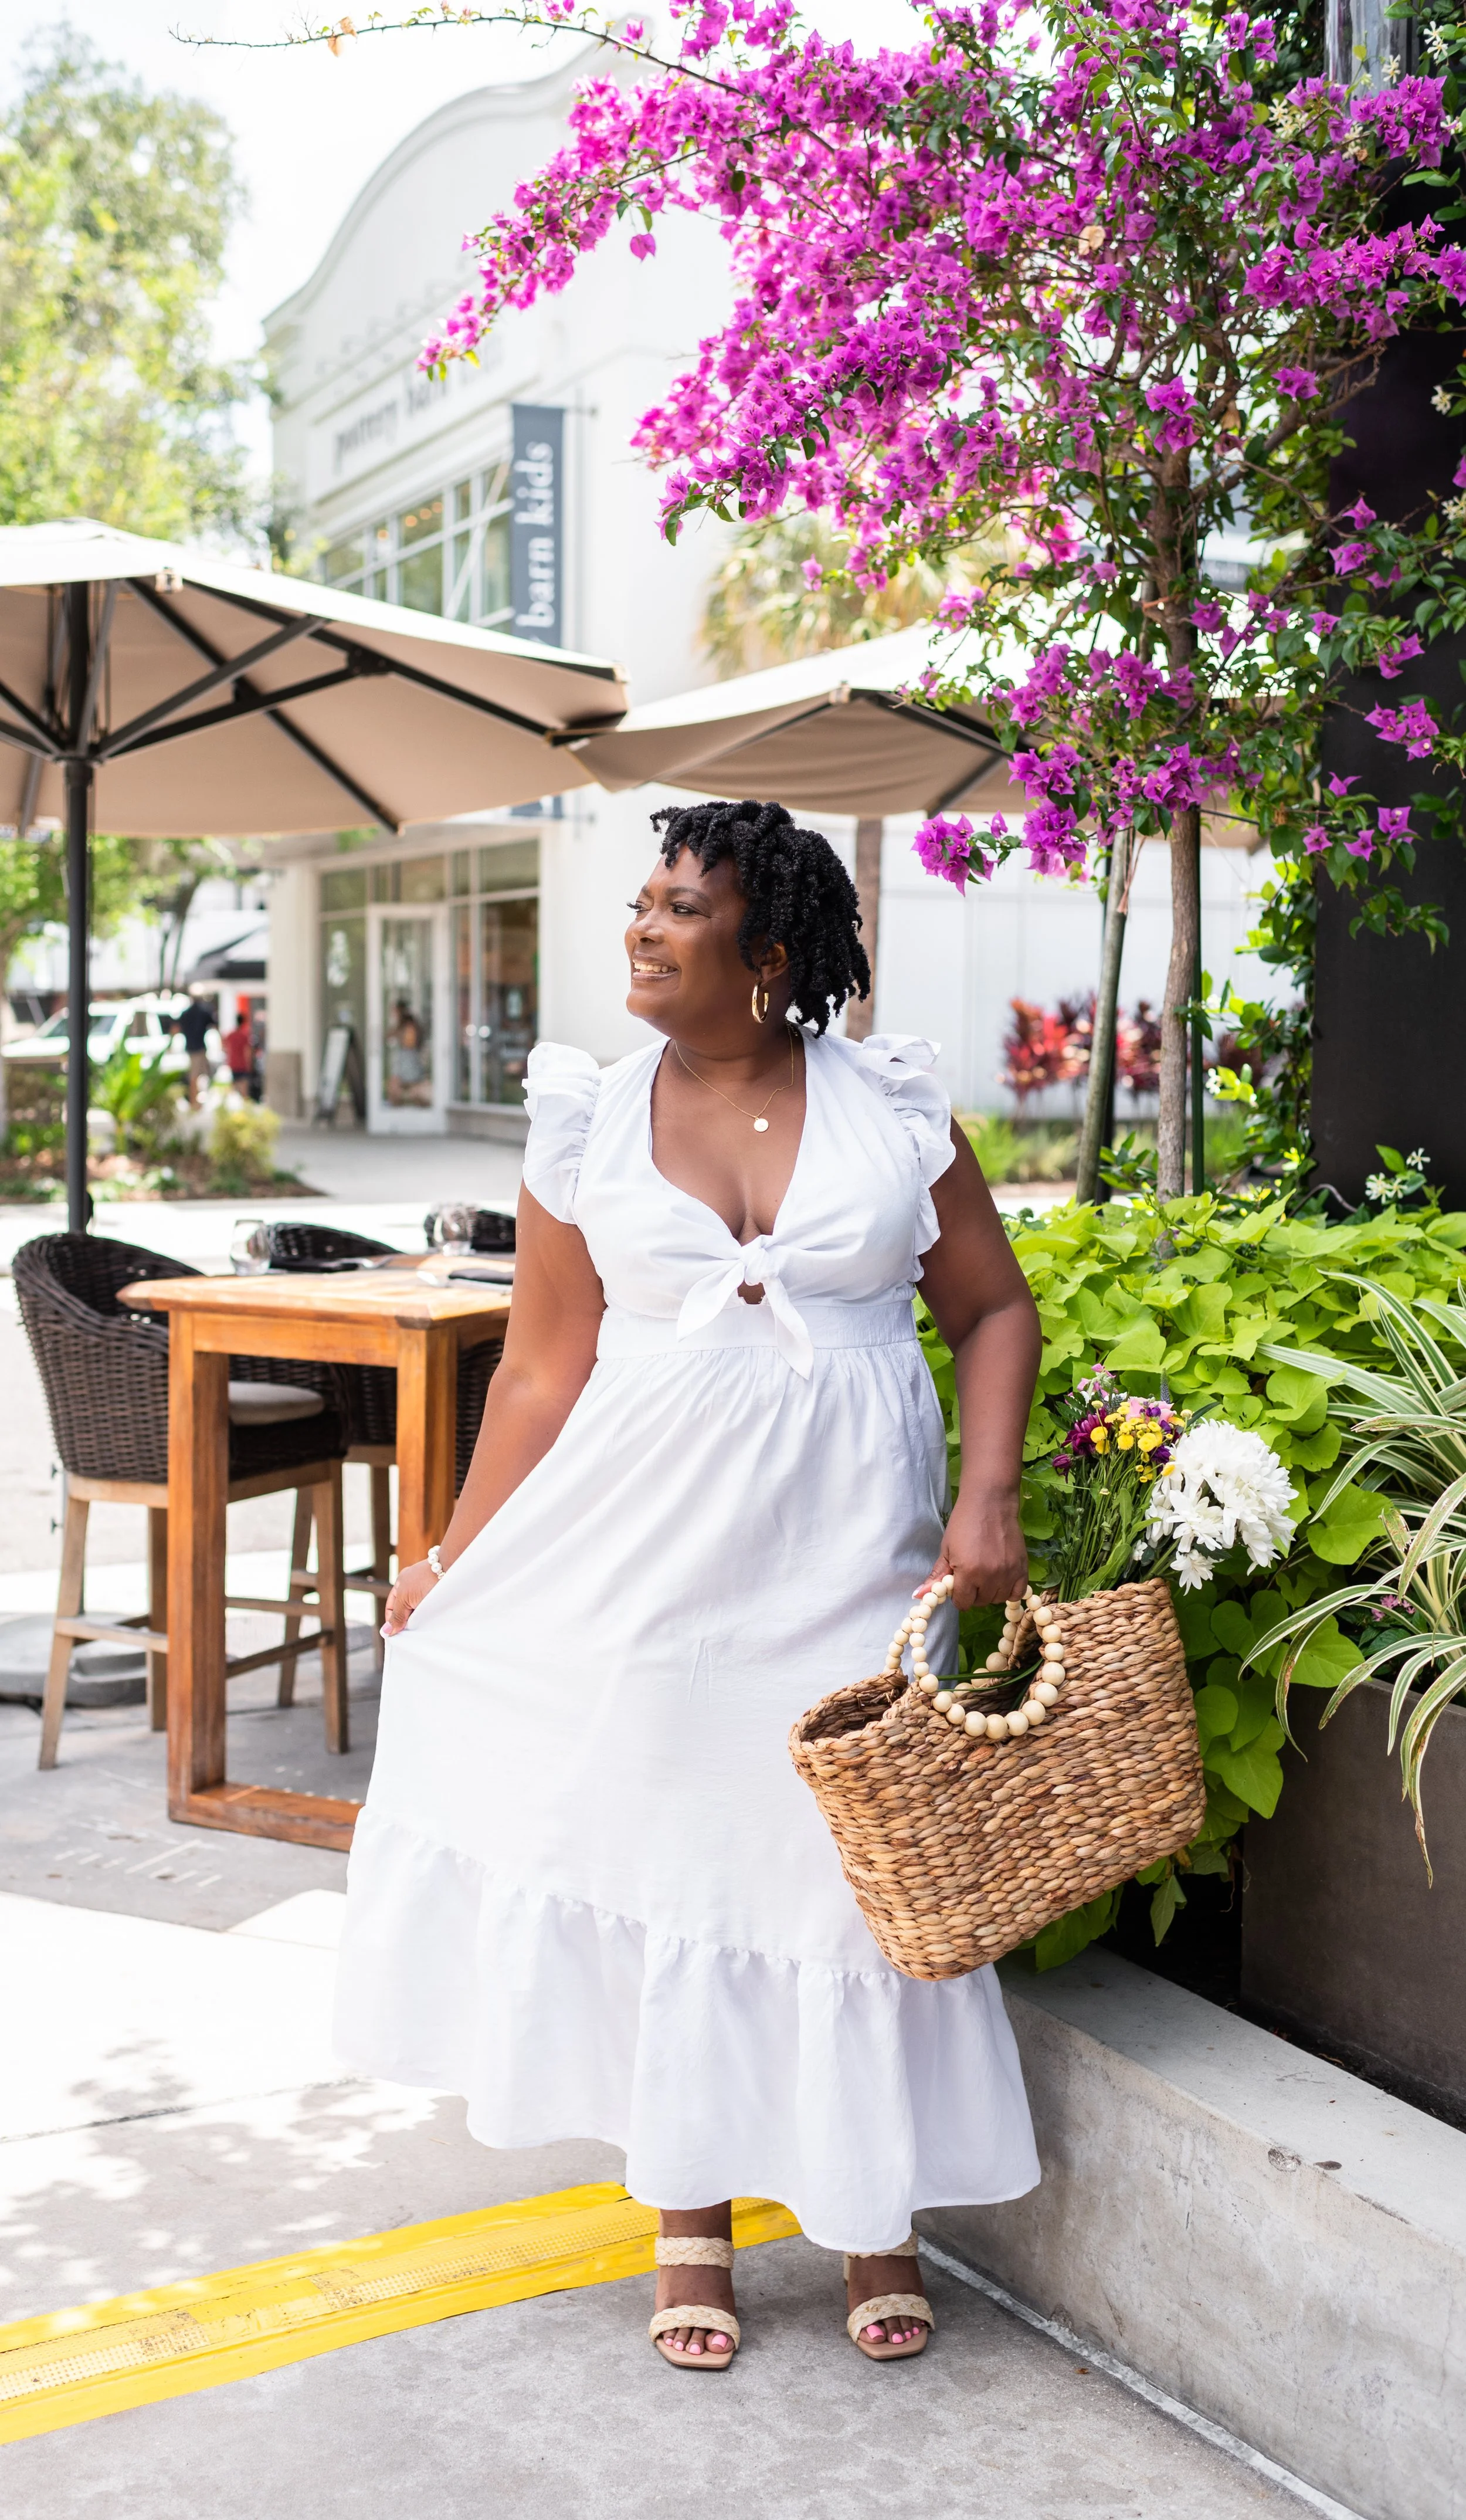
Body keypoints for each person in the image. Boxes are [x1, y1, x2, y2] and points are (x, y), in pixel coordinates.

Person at [336, 797, 1043, 2370]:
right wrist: (453, 1557)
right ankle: (687, 2211)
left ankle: (874, 2215)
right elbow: (536, 1370)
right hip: (642, 1560)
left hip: (848, 1554)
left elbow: (994, 1311)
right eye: (641, 902)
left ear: (770, 950)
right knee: (674, 1866)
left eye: (678, 906)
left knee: (839, 1879)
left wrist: (985, 1502)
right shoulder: (584, 1117)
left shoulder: (894, 1105)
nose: (641, 928)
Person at [169, 990, 217, 1108]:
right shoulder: (203, 1012)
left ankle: (197, 1100)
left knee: (199, 1074)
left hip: (192, 1047)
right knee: (198, 1075)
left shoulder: (187, 1014)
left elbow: (175, 1029)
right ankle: (194, 1101)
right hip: (199, 1048)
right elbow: (214, 1025)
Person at [222, 1000, 257, 1099]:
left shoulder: (231, 1034)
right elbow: (248, 1051)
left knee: (234, 1087)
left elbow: (224, 1044)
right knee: (244, 1090)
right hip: (243, 1064)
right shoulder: (245, 1035)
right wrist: (250, 1064)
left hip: (233, 1063)